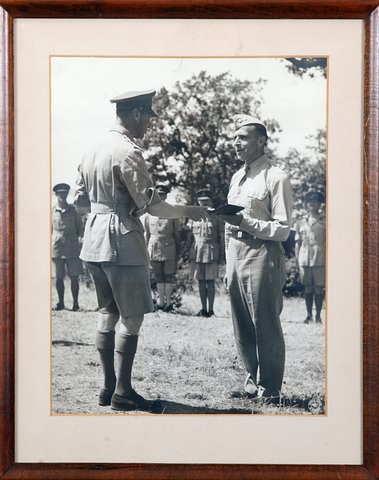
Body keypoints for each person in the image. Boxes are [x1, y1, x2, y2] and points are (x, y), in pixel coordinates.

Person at [73, 89, 207, 413]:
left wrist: (103, 212)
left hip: (93, 240)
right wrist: (192, 210)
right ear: (135, 114)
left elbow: (78, 202)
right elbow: (155, 208)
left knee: (107, 314)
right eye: (148, 116)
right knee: (131, 318)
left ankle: (107, 388)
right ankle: (123, 391)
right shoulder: (128, 150)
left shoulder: (93, 147)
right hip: (121, 240)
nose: (149, 124)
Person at [221, 114, 293, 403]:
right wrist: (229, 260)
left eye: (243, 137)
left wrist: (245, 223)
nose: (236, 143)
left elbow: (283, 229)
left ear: (261, 141)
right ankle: (252, 382)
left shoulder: (276, 177)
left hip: (262, 252)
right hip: (236, 252)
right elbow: (230, 222)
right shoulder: (238, 176)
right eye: (234, 138)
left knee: (265, 322)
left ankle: (270, 389)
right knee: (242, 323)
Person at [187, 189, 225, 317]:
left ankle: (211, 310)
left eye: (206, 201)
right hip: (197, 251)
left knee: (210, 281)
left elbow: (222, 236)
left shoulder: (217, 217)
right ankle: (203, 309)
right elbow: (189, 237)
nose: (204, 204)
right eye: (201, 202)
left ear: (211, 202)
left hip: (212, 251)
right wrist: (188, 252)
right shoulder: (193, 217)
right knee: (201, 282)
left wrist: (222, 255)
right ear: (198, 202)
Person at [144, 184, 181, 312]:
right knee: (159, 275)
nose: (160, 196)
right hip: (154, 247)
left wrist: (178, 251)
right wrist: (145, 249)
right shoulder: (149, 213)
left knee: (168, 275)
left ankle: (169, 303)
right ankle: (160, 303)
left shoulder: (173, 212)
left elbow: (177, 233)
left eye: (163, 194)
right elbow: (147, 234)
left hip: (169, 246)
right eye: (158, 194)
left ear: (166, 196)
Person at [295, 190, 326, 323]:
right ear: (306, 204)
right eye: (309, 201)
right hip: (304, 258)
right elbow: (297, 243)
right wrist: (297, 261)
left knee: (319, 287)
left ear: (320, 204)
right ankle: (309, 315)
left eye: (315, 201)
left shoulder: (325, 221)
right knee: (307, 287)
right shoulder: (300, 222)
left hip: (320, 258)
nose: (312, 203)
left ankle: (318, 316)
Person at [52, 183, 83, 311]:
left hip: (72, 247)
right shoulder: (51, 211)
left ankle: (75, 303)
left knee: (74, 277)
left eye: (64, 193)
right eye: (60, 193)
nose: (62, 196)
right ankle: (61, 303)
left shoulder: (74, 211)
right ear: (56, 195)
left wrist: (77, 240)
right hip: (57, 248)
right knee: (59, 277)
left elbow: (79, 228)